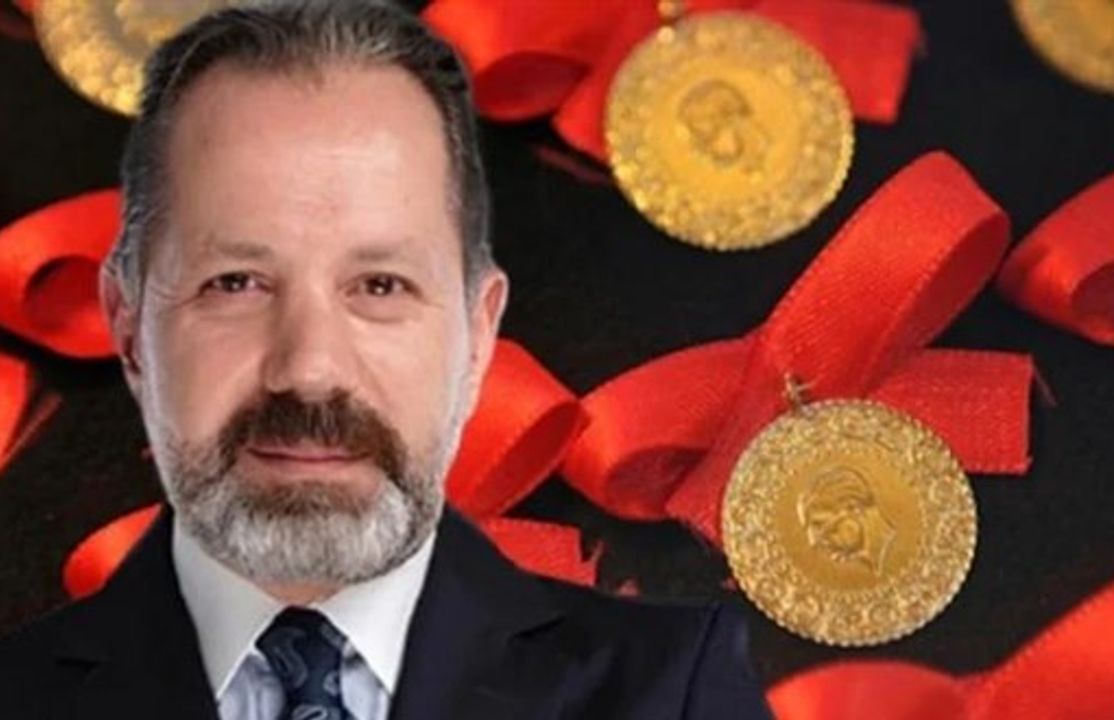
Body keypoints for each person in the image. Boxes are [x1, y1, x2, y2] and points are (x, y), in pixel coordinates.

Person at [0, 2, 775, 718]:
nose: (309, 370)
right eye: (235, 283)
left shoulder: (668, 691)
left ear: (477, 337)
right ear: (129, 327)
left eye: (380, 286)